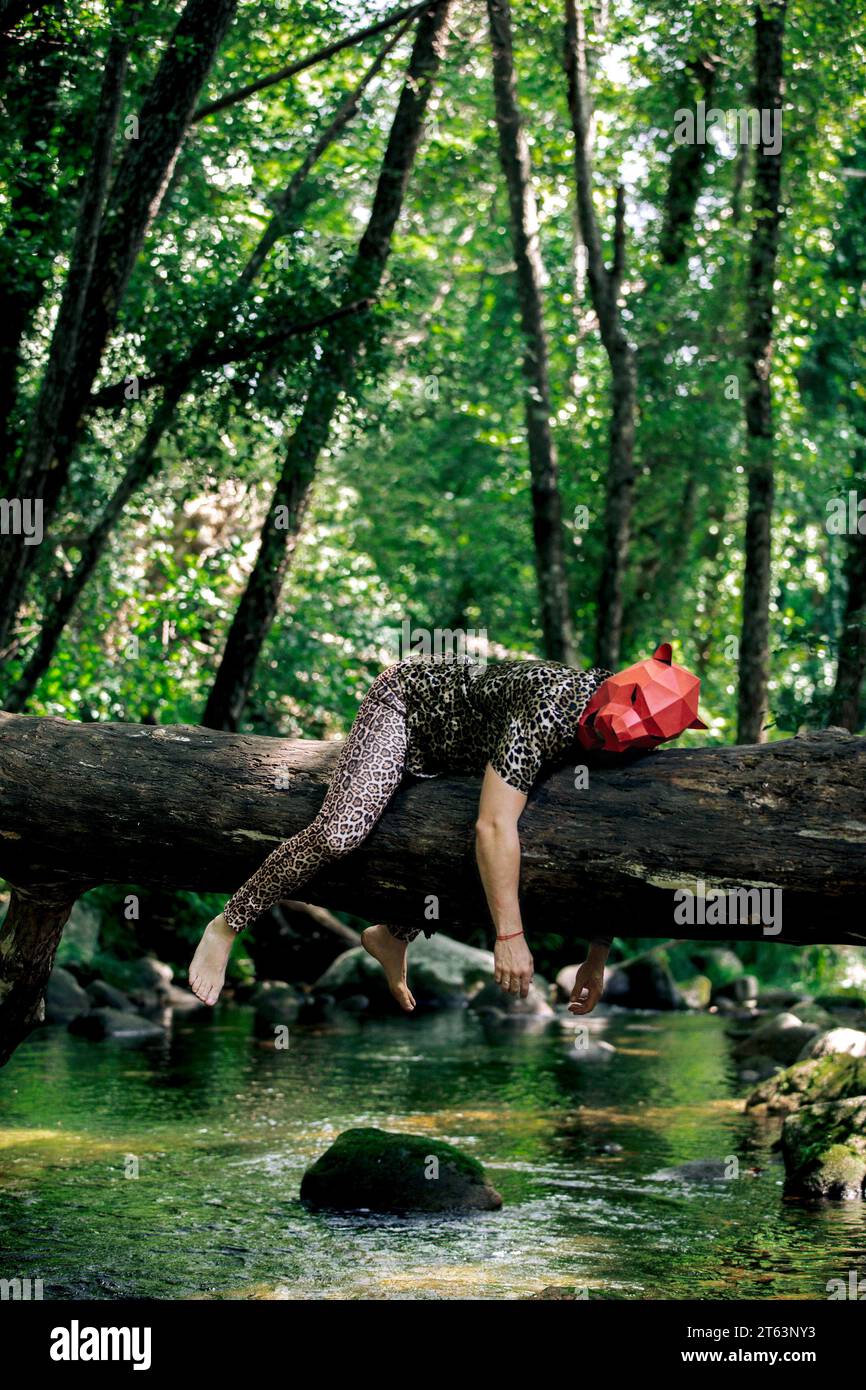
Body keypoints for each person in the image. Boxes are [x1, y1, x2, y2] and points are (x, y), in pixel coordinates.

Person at [188, 642, 707, 1012]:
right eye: (633, 704)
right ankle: (227, 924)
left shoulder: (618, 746)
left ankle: (392, 937)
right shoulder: (553, 704)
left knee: (485, 856)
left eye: (647, 732)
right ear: (633, 672)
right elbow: (493, 826)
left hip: (462, 755)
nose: (626, 726)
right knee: (340, 832)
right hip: (408, 709)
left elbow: (597, 852)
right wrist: (509, 936)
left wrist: (596, 960)